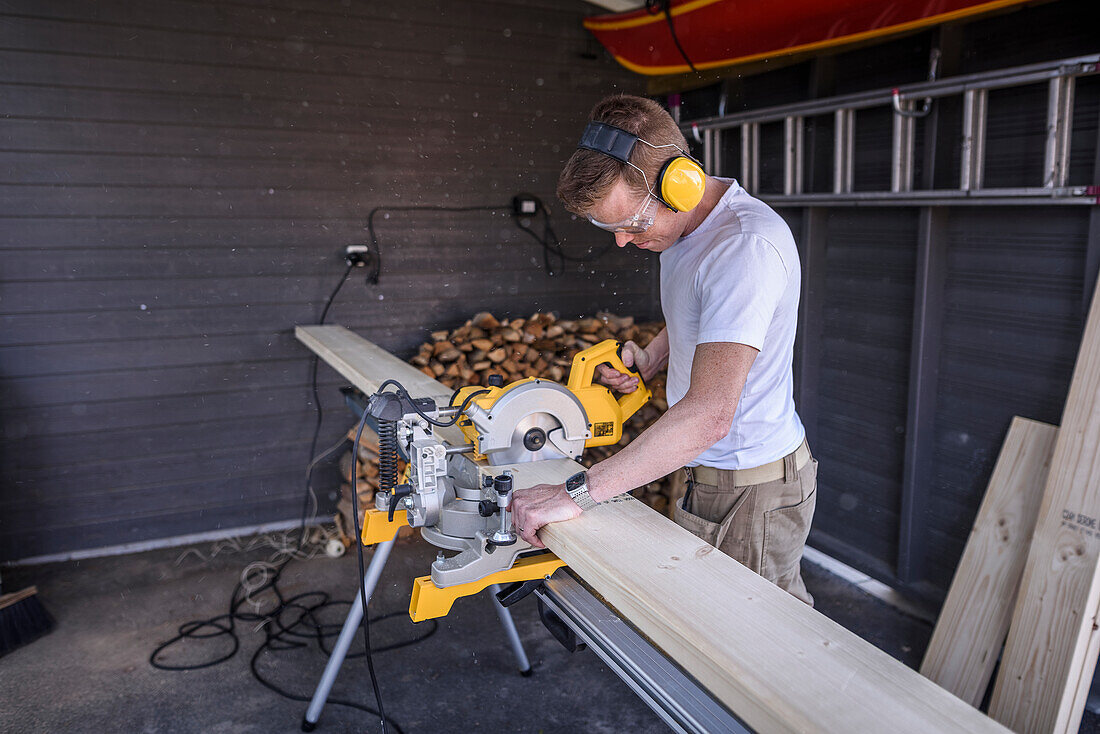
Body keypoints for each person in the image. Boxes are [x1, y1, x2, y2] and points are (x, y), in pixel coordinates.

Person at [509, 93, 817, 605]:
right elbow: (703, 317)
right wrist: (650, 361)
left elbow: (709, 417)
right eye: (610, 228)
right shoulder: (682, 231)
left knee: (751, 649)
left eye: (633, 224)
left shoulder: (744, 249)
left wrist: (574, 493)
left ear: (682, 183)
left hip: (749, 488)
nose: (624, 243)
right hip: (707, 469)